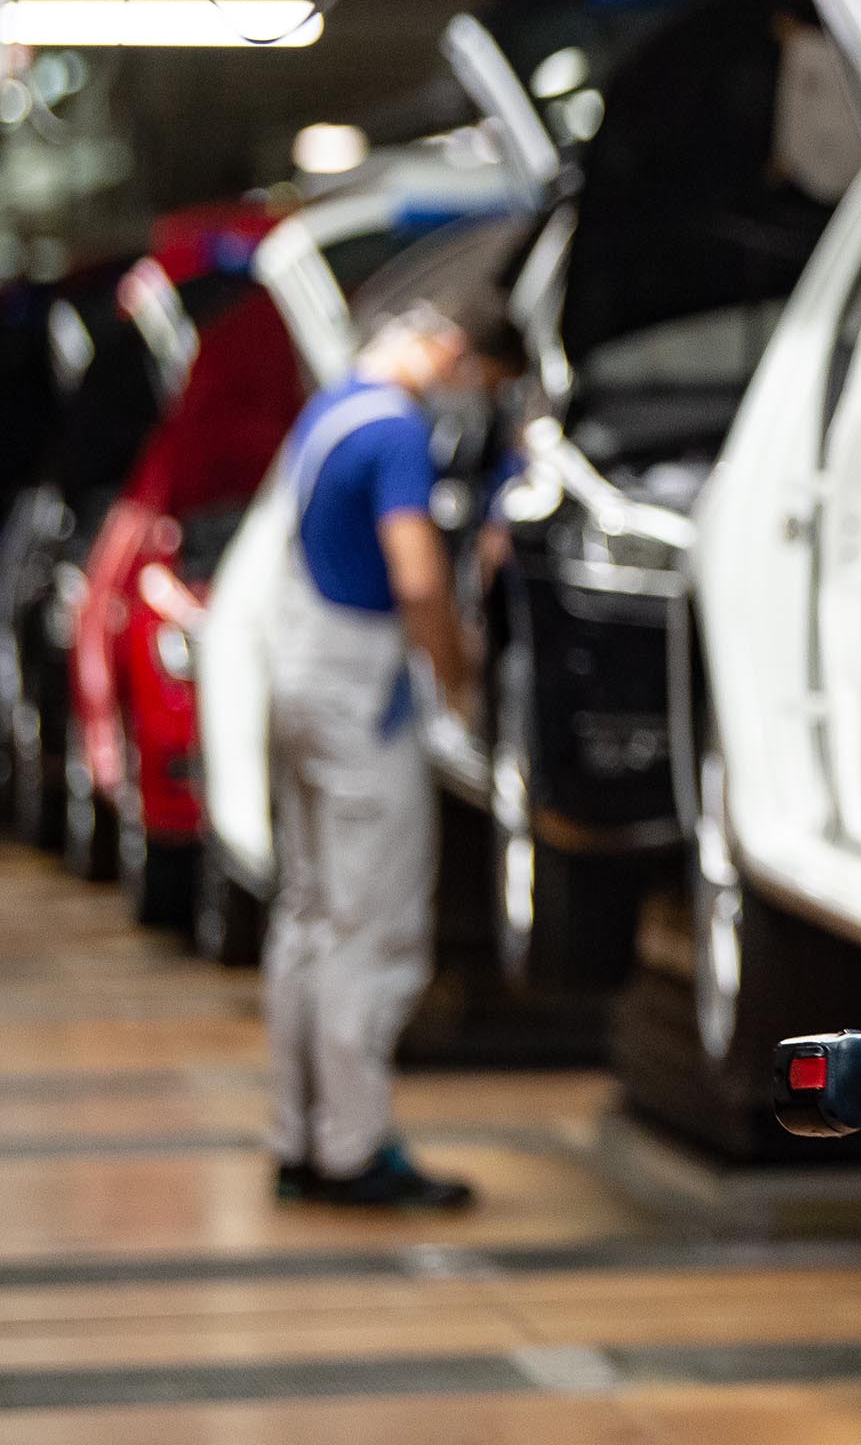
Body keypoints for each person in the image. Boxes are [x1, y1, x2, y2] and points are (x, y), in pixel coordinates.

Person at [266, 298, 523, 1210]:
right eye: (478, 376)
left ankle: (299, 1137)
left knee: (306, 912)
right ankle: (354, 1150)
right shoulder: (396, 433)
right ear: (446, 347)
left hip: (297, 679)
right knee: (371, 929)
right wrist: (456, 677)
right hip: (361, 698)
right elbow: (415, 574)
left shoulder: (328, 409)